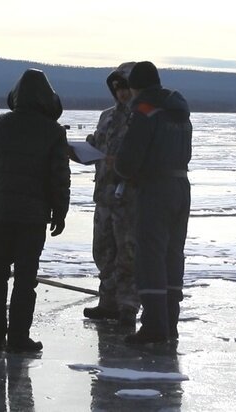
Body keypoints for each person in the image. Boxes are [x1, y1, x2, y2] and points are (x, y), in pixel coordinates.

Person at [0, 68, 71, 353]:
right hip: (32, 216)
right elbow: (58, 177)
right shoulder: (53, 131)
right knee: (25, 278)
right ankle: (18, 337)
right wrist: (60, 211)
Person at [115, 61, 192, 344]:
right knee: (173, 256)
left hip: (155, 190)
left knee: (150, 258)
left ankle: (154, 327)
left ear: (136, 87)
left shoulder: (145, 110)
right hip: (181, 188)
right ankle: (169, 322)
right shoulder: (179, 111)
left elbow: (128, 161)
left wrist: (123, 169)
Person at [82, 62, 140, 328]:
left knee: (127, 253)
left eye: (125, 87)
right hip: (104, 195)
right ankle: (107, 302)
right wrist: (80, 150)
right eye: (116, 89)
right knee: (103, 250)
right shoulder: (107, 116)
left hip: (129, 198)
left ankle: (128, 305)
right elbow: (97, 143)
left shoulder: (144, 116)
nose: (121, 94)